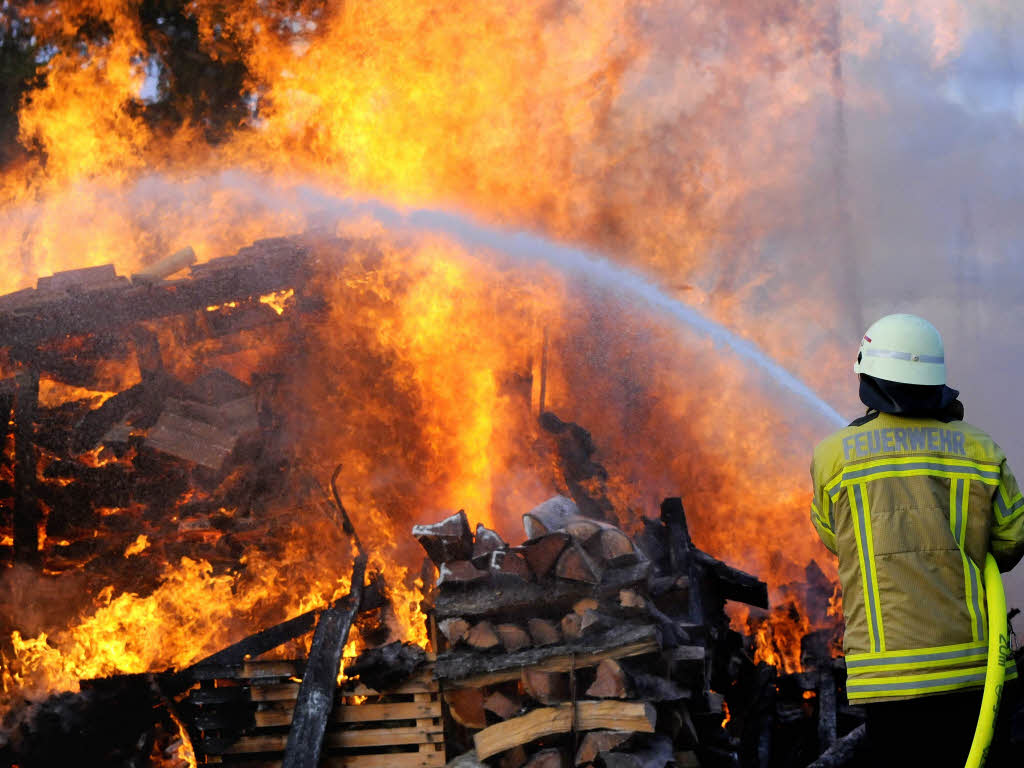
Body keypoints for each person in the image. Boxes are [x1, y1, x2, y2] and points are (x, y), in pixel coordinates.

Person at [809, 313, 1023, 767]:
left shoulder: (834, 457)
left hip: (889, 680)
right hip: (977, 674)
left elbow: (834, 537)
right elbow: (1009, 543)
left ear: (869, 378)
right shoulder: (981, 449)